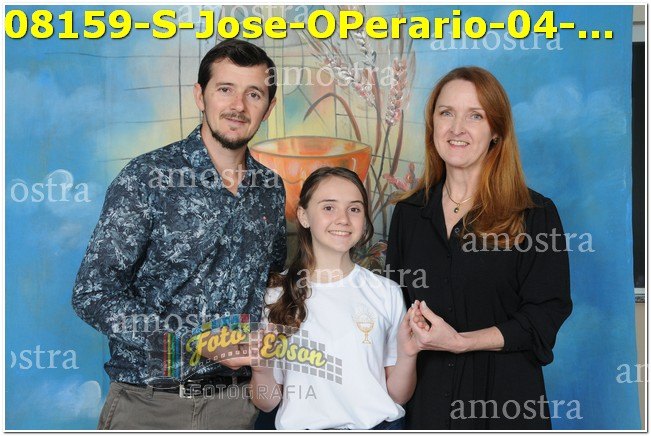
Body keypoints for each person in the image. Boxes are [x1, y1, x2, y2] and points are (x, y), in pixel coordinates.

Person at [72, 39, 287, 430]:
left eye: (253, 94)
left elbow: (271, 280)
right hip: (149, 402)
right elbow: (93, 295)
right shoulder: (146, 177)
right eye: (225, 89)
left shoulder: (271, 190)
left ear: (268, 108)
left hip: (237, 406)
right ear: (200, 96)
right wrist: (193, 340)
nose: (238, 106)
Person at [386, 66, 572, 429]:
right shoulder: (408, 214)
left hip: (506, 406)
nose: (457, 128)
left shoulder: (534, 214)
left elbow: (545, 317)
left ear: (496, 131)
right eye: (446, 113)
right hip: (428, 408)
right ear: (432, 124)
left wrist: (461, 342)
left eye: (475, 116)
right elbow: (396, 312)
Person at [247, 167, 421, 429]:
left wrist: (408, 355)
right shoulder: (276, 294)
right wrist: (260, 368)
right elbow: (268, 403)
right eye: (329, 207)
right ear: (303, 216)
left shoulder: (386, 293)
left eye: (354, 209)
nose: (343, 219)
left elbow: (398, 395)